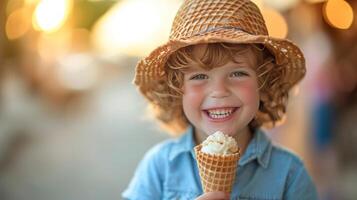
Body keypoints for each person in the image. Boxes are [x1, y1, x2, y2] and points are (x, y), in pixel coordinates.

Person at [122, 0, 318, 199]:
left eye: (238, 73)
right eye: (199, 76)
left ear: (263, 83)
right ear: (177, 89)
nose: (219, 91)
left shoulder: (289, 174)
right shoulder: (159, 166)